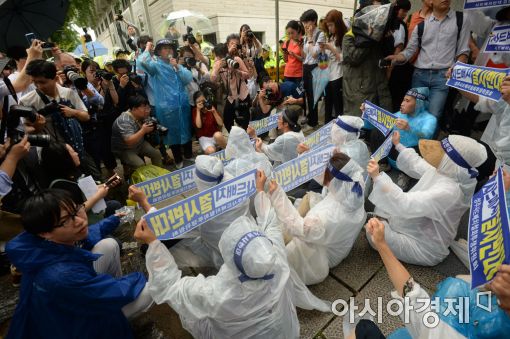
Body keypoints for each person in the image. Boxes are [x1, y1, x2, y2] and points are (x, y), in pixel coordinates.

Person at [134, 170, 330, 338]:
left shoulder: (219, 293)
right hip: (283, 330)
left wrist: (153, 242)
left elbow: (171, 287)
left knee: (192, 314)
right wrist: (260, 191)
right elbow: (270, 223)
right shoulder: (274, 258)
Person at [5, 189, 153, 338]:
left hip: (75, 298)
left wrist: (115, 218)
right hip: (71, 327)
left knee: (109, 244)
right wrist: (148, 274)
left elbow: (92, 233)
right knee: (151, 290)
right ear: (44, 232)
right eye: (66, 220)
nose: (80, 221)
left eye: (77, 210)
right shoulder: (60, 275)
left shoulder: (41, 242)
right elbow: (117, 291)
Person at [364, 217, 510, 338]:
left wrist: (381, 244)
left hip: (429, 253)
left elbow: (413, 297)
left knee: (362, 329)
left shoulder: (442, 330)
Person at [366, 133, 487, 266]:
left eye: (442, 151)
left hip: (425, 249)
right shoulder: (453, 173)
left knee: (372, 232)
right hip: (422, 226)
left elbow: (405, 203)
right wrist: (398, 145)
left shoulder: (449, 191)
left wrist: (377, 177)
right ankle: (390, 224)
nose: (437, 152)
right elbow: (418, 164)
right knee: (383, 207)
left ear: (451, 161)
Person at [268, 152, 366, 285]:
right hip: (335, 243)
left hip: (318, 256)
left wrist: (277, 195)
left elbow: (297, 227)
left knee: (281, 250)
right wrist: (307, 157)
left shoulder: (325, 218)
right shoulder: (354, 185)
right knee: (309, 198)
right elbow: (329, 179)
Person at [386, 0, 472, 119]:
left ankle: (427, 138)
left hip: (443, 77)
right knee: (413, 113)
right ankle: (412, 138)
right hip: (420, 75)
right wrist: (396, 57)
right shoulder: (421, 25)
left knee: (433, 116)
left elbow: (463, 51)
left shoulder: (461, 19)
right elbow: (409, 51)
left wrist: (457, 68)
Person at [139, 39, 193, 168]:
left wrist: (177, 67)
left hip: (182, 105)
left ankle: (189, 156)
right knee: (173, 134)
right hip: (167, 107)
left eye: (170, 48)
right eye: (164, 48)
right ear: (158, 51)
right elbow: (142, 62)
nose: (168, 50)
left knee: (185, 129)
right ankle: (178, 159)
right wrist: (147, 48)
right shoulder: (155, 66)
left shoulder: (176, 64)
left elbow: (187, 78)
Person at [20, 60, 89, 159]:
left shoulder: (68, 93)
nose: (39, 86)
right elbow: (26, 131)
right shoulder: (26, 101)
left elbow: (86, 117)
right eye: (35, 82)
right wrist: (37, 126)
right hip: (51, 156)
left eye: (42, 82)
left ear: (56, 78)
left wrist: (73, 112)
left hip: (77, 150)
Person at [41, 141, 122, 217]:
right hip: (83, 219)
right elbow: (75, 212)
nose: (76, 153)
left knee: (114, 204)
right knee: (114, 205)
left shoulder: (73, 172)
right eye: (72, 152)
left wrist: (107, 184)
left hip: (94, 208)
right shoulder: (59, 186)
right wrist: (99, 195)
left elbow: (84, 190)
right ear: (64, 158)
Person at [342, 4, 395, 117]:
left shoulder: (378, 35)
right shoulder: (349, 36)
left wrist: (387, 38)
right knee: (360, 123)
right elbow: (354, 58)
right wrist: (368, 38)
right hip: (359, 90)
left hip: (379, 86)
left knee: (380, 123)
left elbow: (388, 54)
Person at [111, 95, 163, 169]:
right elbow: (129, 141)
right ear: (134, 109)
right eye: (143, 108)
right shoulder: (124, 121)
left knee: (157, 154)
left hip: (139, 144)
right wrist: (143, 130)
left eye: (147, 107)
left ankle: (158, 176)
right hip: (125, 149)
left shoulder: (141, 115)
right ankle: (141, 180)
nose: (146, 110)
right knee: (140, 164)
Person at [211, 39, 251, 131]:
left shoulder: (236, 59)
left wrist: (236, 71)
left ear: (226, 53)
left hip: (242, 95)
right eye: (218, 57)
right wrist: (217, 69)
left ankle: (245, 139)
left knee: (244, 123)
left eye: (222, 56)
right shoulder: (217, 64)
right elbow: (213, 80)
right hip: (231, 97)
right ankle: (235, 136)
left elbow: (248, 75)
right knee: (227, 121)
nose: (220, 59)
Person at [300, 9, 326, 130]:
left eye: (307, 22)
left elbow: (315, 54)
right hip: (306, 67)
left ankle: (314, 122)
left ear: (314, 21)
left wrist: (310, 37)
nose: (305, 25)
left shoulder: (320, 34)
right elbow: (306, 55)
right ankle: (310, 118)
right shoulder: (306, 36)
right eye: (303, 22)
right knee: (307, 94)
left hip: (315, 67)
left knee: (313, 95)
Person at [321, 10, 348, 123]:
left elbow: (344, 58)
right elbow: (323, 63)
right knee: (328, 104)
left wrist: (330, 48)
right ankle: (327, 127)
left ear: (338, 23)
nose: (330, 28)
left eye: (331, 25)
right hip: (328, 75)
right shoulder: (330, 38)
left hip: (338, 75)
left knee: (338, 106)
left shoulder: (345, 37)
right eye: (328, 26)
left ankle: (340, 129)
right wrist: (322, 50)